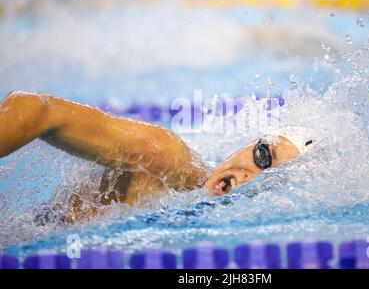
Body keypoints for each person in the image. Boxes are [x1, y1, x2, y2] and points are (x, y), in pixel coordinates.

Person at [0, 91, 315, 223]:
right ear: (247, 144)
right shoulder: (165, 159)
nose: (251, 176)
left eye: (272, 179)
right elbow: (36, 109)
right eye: (262, 155)